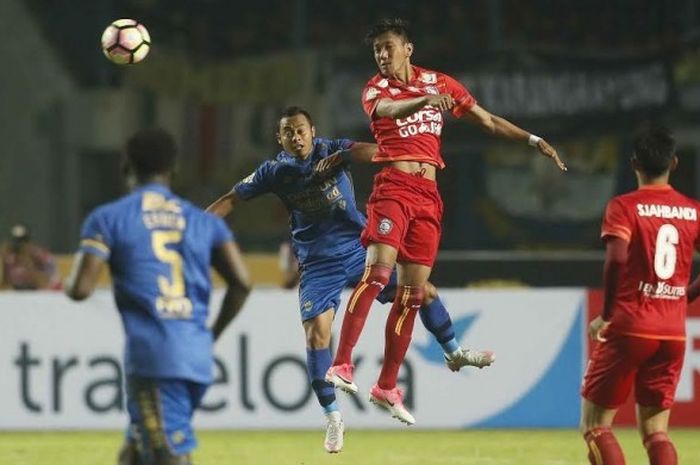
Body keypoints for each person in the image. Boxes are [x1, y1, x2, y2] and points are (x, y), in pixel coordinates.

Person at [206, 106, 494, 452]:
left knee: (424, 292)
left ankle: (455, 352)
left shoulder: (332, 149)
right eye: (288, 132)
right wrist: (193, 227)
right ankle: (333, 419)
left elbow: (377, 152)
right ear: (279, 138)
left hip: (360, 251)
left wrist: (344, 155)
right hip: (317, 264)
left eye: (301, 130)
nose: (296, 138)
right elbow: (230, 200)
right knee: (317, 335)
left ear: (313, 131)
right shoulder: (274, 172)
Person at [325, 18, 566, 425]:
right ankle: (342, 364)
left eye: (388, 47)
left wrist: (532, 140)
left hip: (428, 197)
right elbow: (388, 109)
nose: (382, 55)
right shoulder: (375, 89)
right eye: (376, 50)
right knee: (377, 274)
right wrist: (422, 102)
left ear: (408, 48)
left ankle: (386, 386)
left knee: (411, 297)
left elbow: (487, 121)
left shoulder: (441, 83)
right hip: (393, 189)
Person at [64, 128, 251, 465]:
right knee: (135, 452)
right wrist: (212, 335)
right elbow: (241, 282)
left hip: (154, 359)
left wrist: (72, 275)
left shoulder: (108, 219)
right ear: (173, 170)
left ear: (125, 168)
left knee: (166, 452)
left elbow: (80, 289)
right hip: (196, 357)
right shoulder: (203, 222)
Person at [580, 124, 695, 465]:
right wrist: (685, 295)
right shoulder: (692, 210)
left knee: (596, 426)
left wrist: (609, 313)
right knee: (656, 432)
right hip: (672, 332)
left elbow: (616, 258)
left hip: (630, 325)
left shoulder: (624, 207)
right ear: (673, 163)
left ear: (633, 163)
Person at [0, 224, 61, 290]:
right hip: (12, 291)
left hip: (33, 290)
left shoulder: (35, 253)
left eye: (22, 241)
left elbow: (51, 264)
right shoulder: (7, 255)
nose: (19, 244)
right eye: (16, 240)